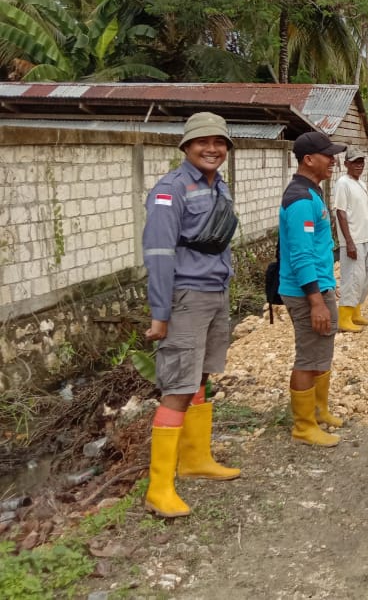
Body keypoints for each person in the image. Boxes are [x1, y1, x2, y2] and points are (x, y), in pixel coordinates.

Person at [142, 112, 241, 518]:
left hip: (215, 292)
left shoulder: (220, 186)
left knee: (200, 376)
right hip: (185, 297)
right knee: (178, 386)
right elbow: (159, 253)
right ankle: (159, 488)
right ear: (185, 146)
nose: (212, 149)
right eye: (203, 141)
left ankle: (196, 459)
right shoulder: (170, 190)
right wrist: (160, 313)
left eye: (220, 142)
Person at [279, 131, 347, 448]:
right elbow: (301, 255)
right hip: (306, 292)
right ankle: (304, 426)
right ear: (308, 159)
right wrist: (316, 301)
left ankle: (319, 411)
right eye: (327, 155)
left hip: (318, 287)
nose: (333, 160)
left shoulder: (312, 193)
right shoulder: (300, 201)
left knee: (321, 351)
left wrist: (327, 288)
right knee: (308, 358)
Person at [332, 145, 368, 332]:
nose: (359, 165)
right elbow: (341, 213)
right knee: (352, 277)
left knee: (364, 277)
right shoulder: (342, 183)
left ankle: (355, 313)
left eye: (361, 162)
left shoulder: (361, 184)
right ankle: (344, 318)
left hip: (366, 238)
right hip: (353, 240)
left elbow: (367, 214)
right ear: (346, 164)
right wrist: (349, 242)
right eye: (355, 162)